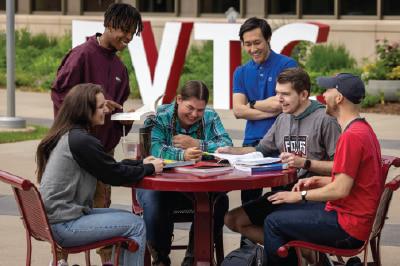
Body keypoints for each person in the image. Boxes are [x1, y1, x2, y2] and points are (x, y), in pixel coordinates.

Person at [251, 73, 382, 265]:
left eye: (327, 91)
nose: (322, 96)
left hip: (348, 226)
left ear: (339, 98)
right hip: (353, 218)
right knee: (280, 212)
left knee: (273, 222)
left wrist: (299, 195)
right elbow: (352, 181)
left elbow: (341, 189)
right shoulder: (363, 129)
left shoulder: (352, 136)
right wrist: (317, 180)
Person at [51, 3, 143, 262]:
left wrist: (125, 118)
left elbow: (116, 110)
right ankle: (60, 262)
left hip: (103, 153)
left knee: (103, 217)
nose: (128, 38)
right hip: (72, 155)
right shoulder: (81, 55)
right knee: (66, 216)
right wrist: (94, 106)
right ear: (110, 24)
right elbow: (60, 95)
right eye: (125, 31)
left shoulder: (120, 69)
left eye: (132, 33)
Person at [37, 83, 164, 266]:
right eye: (101, 106)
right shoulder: (81, 140)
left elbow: (107, 167)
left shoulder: (70, 135)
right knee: (136, 225)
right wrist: (150, 169)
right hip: (65, 225)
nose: (106, 110)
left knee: (132, 220)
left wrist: (142, 163)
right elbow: (113, 175)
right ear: (84, 110)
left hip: (58, 220)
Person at [219, 67, 341, 245]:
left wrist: (305, 163)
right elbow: (260, 150)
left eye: (285, 94)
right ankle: (298, 251)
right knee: (233, 219)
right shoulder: (283, 118)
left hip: (312, 198)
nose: (279, 99)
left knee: (271, 223)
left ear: (303, 94)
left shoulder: (325, 119)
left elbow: (341, 167)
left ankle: (298, 250)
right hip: (284, 193)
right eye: (277, 94)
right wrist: (230, 151)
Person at [137, 80, 233, 266]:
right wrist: (183, 154)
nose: (194, 114)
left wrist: (198, 144)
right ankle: (160, 259)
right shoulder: (158, 116)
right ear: (179, 99)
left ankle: (194, 259)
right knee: (154, 201)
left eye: (200, 110)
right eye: (190, 108)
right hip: (160, 186)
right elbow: (153, 150)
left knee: (220, 201)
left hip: (199, 188)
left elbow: (227, 145)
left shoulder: (211, 116)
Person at [233, 17, 298, 205]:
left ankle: (274, 233)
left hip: (282, 141)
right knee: (249, 199)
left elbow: (282, 104)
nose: (253, 49)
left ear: (268, 39)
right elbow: (238, 110)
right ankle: (248, 235)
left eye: (257, 42)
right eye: (248, 44)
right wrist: (268, 108)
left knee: (281, 197)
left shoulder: (287, 65)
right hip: (251, 141)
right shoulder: (241, 72)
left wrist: (251, 105)